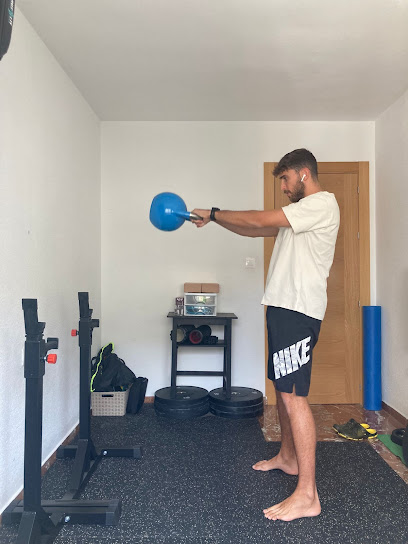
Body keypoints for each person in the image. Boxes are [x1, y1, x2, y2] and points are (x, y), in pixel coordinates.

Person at [191, 148, 340, 522]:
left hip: (298, 311)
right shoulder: (298, 216)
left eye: (286, 179)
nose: (284, 188)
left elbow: (259, 218)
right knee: (281, 388)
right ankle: (288, 458)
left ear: (303, 173)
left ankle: (308, 495)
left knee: (294, 397)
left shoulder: (321, 204)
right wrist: (215, 221)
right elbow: (252, 228)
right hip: (282, 309)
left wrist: (213, 212)